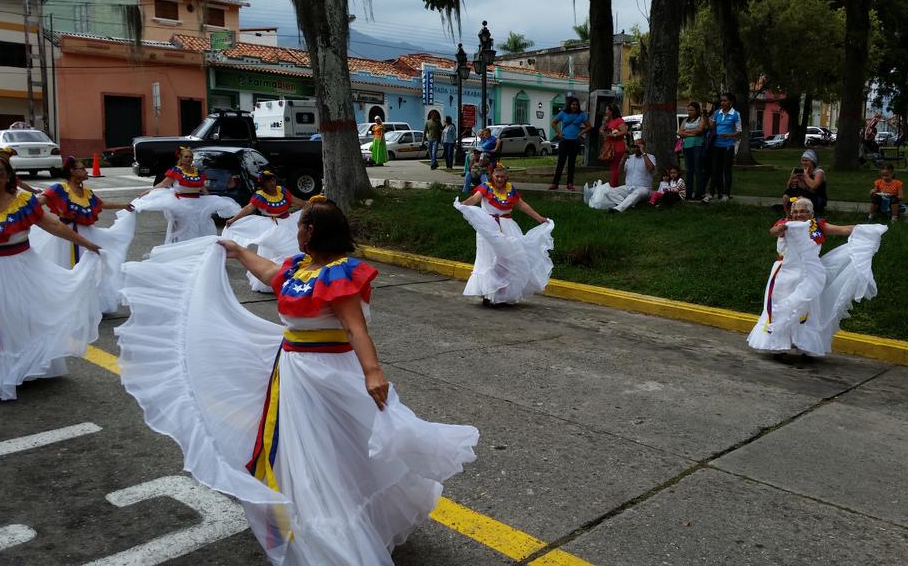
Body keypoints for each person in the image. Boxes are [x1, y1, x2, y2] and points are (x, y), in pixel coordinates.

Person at [116, 197, 479, 564]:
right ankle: (324, 515)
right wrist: (239, 252)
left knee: (335, 448)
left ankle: (341, 534)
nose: (296, 230)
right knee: (308, 451)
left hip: (331, 373)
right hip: (295, 373)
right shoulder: (299, 267)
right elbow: (271, 273)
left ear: (311, 231)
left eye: (300, 224)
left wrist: (373, 372)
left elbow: (355, 328)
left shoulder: (339, 273)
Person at [0, 152, 103, 400]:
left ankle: (21, 369)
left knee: (18, 317)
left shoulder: (22, 201)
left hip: (20, 269)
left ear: (9, 176)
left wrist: (87, 243)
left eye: (0, 173)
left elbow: (53, 225)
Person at [747, 197, 887, 358]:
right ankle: (777, 345)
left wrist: (870, 230)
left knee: (807, 309)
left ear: (811, 213)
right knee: (781, 306)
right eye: (795, 211)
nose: (799, 214)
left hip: (810, 274)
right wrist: (779, 230)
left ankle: (804, 345)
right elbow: (773, 231)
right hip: (785, 273)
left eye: (803, 211)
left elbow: (844, 230)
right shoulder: (785, 224)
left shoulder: (818, 226)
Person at [30, 156, 137, 313]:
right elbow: (40, 201)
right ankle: (69, 304)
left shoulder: (86, 192)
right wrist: (20, 208)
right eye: (82, 169)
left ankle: (86, 303)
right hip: (66, 235)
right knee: (68, 266)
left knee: (89, 267)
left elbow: (102, 204)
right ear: (72, 171)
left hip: (87, 234)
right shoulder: (59, 188)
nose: (86, 171)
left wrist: (124, 205)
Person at [454, 165, 554, 306]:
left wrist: (539, 218)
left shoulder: (510, 189)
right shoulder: (486, 187)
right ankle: (489, 295)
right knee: (490, 260)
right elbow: (474, 199)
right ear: (492, 176)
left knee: (510, 260)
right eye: (497, 176)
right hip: (489, 228)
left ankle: (503, 296)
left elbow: (522, 205)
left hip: (508, 227)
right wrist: (462, 205)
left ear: (506, 177)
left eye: (502, 177)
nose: (500, 179)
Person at [221, 170, 309, 292]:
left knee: (293, 249)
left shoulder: (282, 191)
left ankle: (295, 278)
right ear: (263, 184)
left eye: (273, 180)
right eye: (268, 181)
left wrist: (309, 205)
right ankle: (273, 281)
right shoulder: (260, 195)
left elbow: (296, 201)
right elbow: (249, 208)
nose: (272, 183)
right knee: (275, 252)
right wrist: (233, 219)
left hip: (289, 222)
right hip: (273, 226)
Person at [132, 146, 239, 243]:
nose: (188, 159)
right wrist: (149, 191)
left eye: (190, 157)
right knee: (185, 228)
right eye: (186, 157)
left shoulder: (197, 172)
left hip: (197, 202)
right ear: (181, 158)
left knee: (200, 226)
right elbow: (163, 184)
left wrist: (208, 199)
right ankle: (183, 247)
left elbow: (202, 187)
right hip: (181, 204)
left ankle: (196, 248)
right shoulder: (176, 171)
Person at [596, 139, 655, 213]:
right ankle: (629, 204)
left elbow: (650, 168)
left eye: (638, 146)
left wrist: (643, 152)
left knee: (638, 193)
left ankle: (618, 209)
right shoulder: (629, 158)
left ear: (643, 147)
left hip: (644, 188)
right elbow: (620, 173)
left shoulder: (650, 157)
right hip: (628, 187)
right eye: (635, 146)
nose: (636, 148)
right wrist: (623, 159)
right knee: (608, 191)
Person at [705, 92, 741, 202]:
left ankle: (726, 194)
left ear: (731, 102)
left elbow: (739, 131)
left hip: (728, 145)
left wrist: (728, 135)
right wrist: (706, 118)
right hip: (716, 145)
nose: (722, 103)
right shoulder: (717, 113)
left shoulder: (735, 114)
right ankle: (712, 193)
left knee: (727, 170)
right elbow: (712, 127)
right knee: (715, 169)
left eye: (725, 101)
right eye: (721, 101)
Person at [550, 97, 591, 191]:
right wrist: (559, 132)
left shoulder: (581, 115)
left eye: (576, 105)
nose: (575, 106)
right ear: (569, 105)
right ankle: (555, 183)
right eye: (573, 104)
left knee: (572, 163)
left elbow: (589, 126)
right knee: (561, 163)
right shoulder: (563, 113)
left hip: (575, 141)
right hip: (564, 140)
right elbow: (553, 123)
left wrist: (581, 133)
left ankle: (570, 183)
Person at [782, 149, 828, 214]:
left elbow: (814, 186)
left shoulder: (819, 172)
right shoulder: (800, 171)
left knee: (801, 197)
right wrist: (792, 178)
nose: (804, 162)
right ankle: (788, 215)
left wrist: (806, 175)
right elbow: (788, 187)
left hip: (817, 198)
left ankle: (800, 213)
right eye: (802, 160)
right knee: (786, 195)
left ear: (813, 161)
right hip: (802, 194)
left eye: (806, 161)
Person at [678, 101, 707, 200]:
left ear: (697, 110)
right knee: (689, 170)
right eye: (688, 110)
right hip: (687, 146)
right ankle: (688, 193)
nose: (690, 112)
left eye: (692, 110)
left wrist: (686, 132)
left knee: (698, 170)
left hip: (697, 146)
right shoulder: (685, 120)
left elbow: (700, 130)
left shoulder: (701, 119)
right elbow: (680, 132)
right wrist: (692, 133)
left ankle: (699, 193)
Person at [600, 103, 628, 187]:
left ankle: (614, 186)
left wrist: (614, 135)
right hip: (609, 146)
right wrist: (604, 123)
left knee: (614, 167)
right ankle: (613, 184)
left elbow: (624, 131)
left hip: (617, 146)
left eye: (607, 110)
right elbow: (601, 130)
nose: (606, 111)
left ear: (611, 111)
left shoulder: (619, 120)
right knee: (612, 167)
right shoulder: (608, 121)